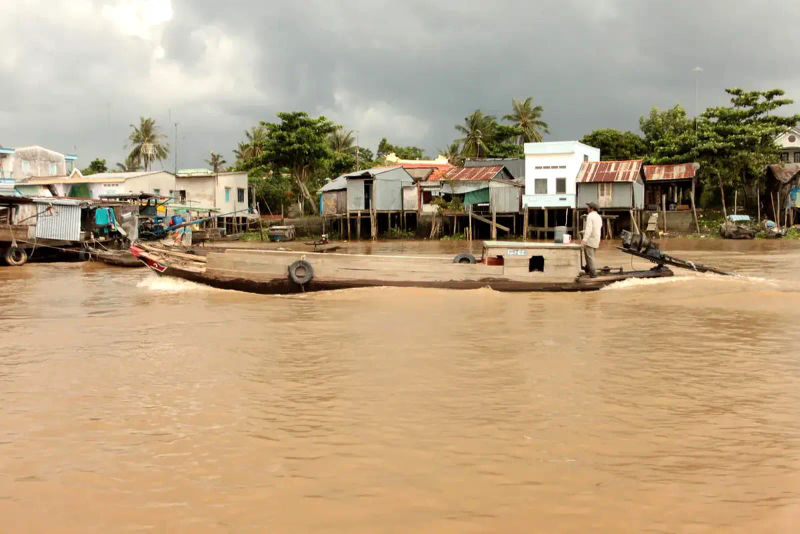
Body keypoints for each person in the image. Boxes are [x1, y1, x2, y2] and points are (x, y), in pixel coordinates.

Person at [581, 202, 602, 277]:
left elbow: (589, 229)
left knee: (590, 258)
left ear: (591, 208)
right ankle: (588, 271)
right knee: (590, 256)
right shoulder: (598, 217)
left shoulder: (590, 216)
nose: (587, 208)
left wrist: (584, 240)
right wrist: (584, 232)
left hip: (590, 240)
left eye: (588, 207)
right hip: (596, 239)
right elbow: (596, 228)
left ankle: (593, 274)